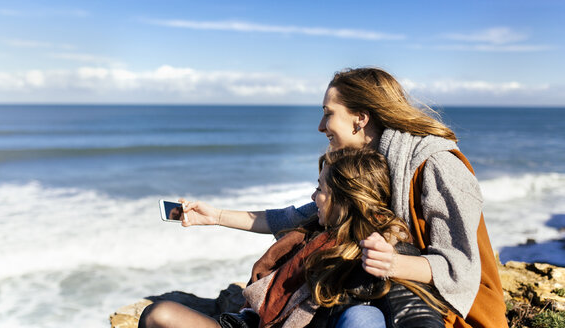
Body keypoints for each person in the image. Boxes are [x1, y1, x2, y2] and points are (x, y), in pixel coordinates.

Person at [164, 67, 507, 328]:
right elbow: (294, 217)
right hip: (379, 295)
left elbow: (460, 269)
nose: (320, 125)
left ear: (360, 118)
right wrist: (215, 216)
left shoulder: (435, 164)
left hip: (448, 310)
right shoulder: (366, 169)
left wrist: (393, 263)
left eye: (328, 112)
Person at [139, 148, 446, 328]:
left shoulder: (380, 249)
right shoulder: (315, 230)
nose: (314, 197)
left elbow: (414, 312)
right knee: (159, 314)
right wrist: (214, 216)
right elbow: (275, 218)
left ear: (344, 198)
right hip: (251, 323)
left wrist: (391, 264)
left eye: (321, 190)